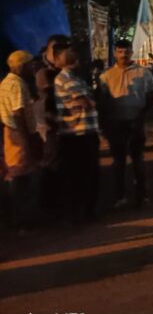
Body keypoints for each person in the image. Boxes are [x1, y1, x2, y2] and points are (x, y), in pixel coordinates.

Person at [97, 40, 153, 208]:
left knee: (138, 160)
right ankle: (120, 196)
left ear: (131, 52)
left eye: (126, 52)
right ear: (115, 53)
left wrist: (143, 116)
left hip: (136, 123)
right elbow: (102, 102)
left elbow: (152, 96)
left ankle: (142, 195)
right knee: (119, 162)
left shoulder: (143, 73)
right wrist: (105, 125)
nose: (123, 55)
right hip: (116, 125)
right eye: (120, 52)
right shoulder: (106, 76)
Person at [53, 47, 101, 223]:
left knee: (85, 173)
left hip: (83, 131)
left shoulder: (74, 78)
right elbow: (85, 102)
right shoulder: (67, 78)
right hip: (79, 132)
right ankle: (84, 211)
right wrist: (92, 100)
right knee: (84, 173)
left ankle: (84, 210)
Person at [0, 51, 40, 226]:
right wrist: (27, 139)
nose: (33, 68)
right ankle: (22, 218)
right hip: (18, 133)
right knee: (21, 176)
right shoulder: (17, 84)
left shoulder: (5, 82)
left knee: (17, 174)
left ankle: (18, 216)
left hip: (10, 132)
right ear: (22, 66)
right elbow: (18, 113)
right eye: (30, 65)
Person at [33, 35, 70, 216]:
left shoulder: (63, 71)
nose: (59, 53)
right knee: (51, 164)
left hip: (63, 125)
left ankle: (61, 203)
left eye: (63, 49)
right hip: (47, 126)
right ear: (48, 49)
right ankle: (49, 207)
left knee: (62, 164)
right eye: (56, 49)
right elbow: (49, 98)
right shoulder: (42, 72)